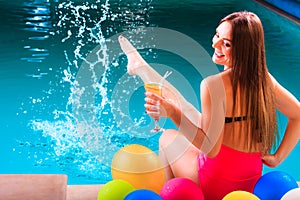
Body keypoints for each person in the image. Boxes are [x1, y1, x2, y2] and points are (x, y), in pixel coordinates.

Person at [118, 11, 300, 200]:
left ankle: (167, 194)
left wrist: (172, 113)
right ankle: (141, 67)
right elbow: (298, 114)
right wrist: (278, 157)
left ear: (244, 50)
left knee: (168, 138)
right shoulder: (265, 80)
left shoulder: (213, 84)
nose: (215, 44)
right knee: (189, 110)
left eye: (226, 44)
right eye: (217, 35)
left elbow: (210, 149)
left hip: (215, 184)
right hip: (249, 182)